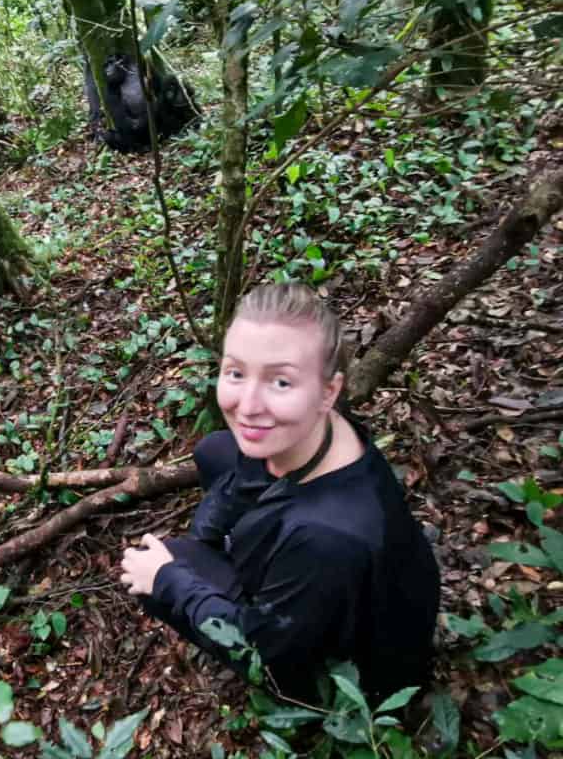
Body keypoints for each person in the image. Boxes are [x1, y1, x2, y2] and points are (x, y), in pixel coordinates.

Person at [120, 283, 440, 702]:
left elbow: (263, 651)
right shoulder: (315, 427)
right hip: (321, 587)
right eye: (236, 372)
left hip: (350, 676)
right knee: (216, 450)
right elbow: (242, 470)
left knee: (163, 568)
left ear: (329, 391)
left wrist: (168, 582)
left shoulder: (326, 539)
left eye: (281, 382)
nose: (248, 405)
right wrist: (212, 534)